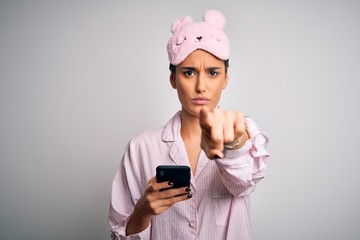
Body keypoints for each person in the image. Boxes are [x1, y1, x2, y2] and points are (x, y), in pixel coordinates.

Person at [108, 9, 269, 240]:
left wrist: (234, 142)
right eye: (189, 72)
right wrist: (142, 212)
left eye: (213, 72)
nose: (201, 86)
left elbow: (243, 182)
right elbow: (117, 235)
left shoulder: (243, 133)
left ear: (225, 78)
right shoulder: (141, 148)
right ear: (173, 79)